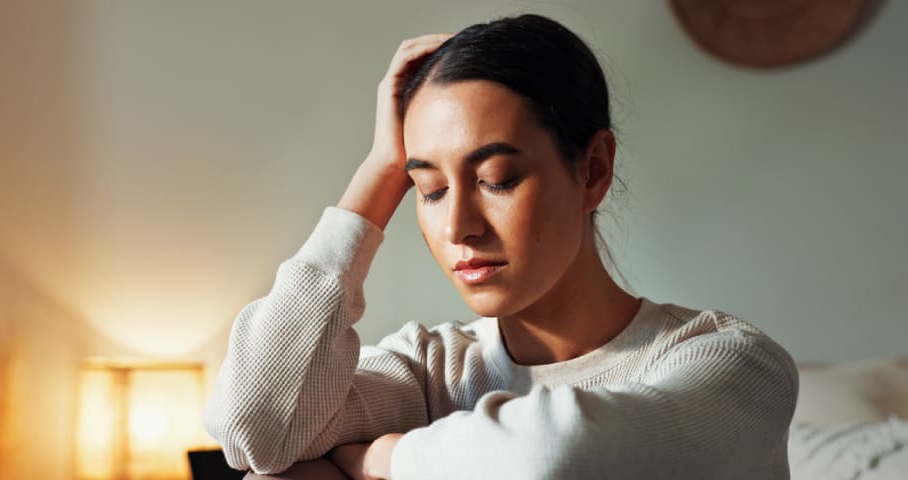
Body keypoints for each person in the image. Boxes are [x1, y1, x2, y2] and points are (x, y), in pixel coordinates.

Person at [203, 13, 798, 480]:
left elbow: (558, 456)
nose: (459, 225)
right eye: (429, 189)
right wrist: (379, 173)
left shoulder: (733, 365)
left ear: (592, 170)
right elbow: (254, 429)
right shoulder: (432, 372)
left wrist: (385, 458)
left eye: (497, 180)